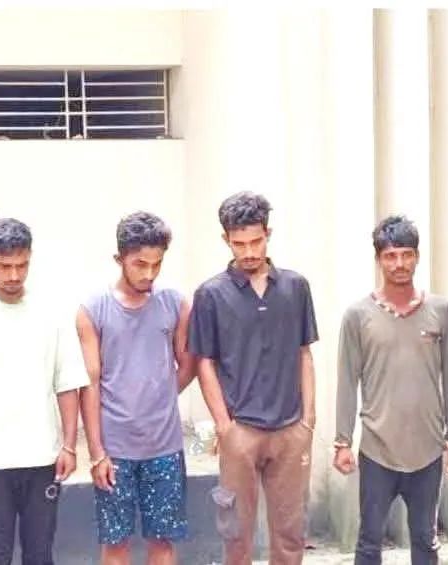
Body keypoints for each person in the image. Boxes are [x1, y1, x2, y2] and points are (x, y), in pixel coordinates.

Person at [0, 218, 89, 565]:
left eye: (21, 265)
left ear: (30, 258)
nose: (13, 275)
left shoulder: (53, 312)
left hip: (43, 457)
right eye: (4, 266)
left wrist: (69, 445)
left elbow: (67, 382)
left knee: (40, 554)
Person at [188, 191, 318, 565]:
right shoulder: (211, 294)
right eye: (239, 243)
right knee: (236, 535)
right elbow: (204, 362)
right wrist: (224, 426)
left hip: (290, 428)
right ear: (226, 240)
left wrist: (309, 419)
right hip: (240, 430)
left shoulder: (295, 287)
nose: (249, 251)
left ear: (268, 234)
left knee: (291, 534)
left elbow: (304, 353)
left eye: (256, 241)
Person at [333, 215, 448, 565]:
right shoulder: (358, 315)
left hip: (428, 448)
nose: (399, 264)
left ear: (417, 257)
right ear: (379, 260)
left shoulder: (440, 311)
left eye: (406, 254)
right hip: (377, 448)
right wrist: (342, 441)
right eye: (390, 256)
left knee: (425, 539)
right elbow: (347, 381)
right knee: (369, 540)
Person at [76, 212, 195, 565]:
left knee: (163, 541)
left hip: (165, 447)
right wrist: (97, 453)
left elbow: (188, 363)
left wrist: (160, 395)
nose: (149, 273)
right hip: (115, 450)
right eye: (140, 264)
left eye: (156, 264)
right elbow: (90, 384)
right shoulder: (93, 310)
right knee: (116, 543)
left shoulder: (175, 304)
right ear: (120, 259)